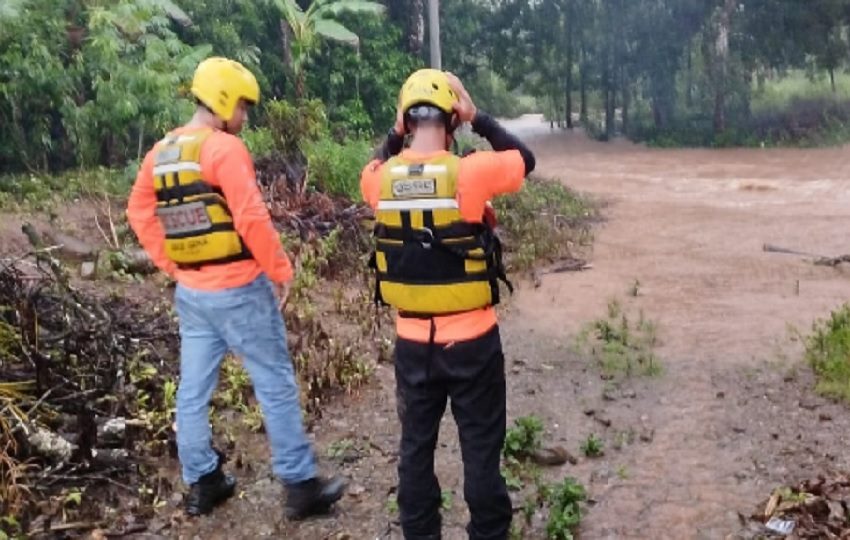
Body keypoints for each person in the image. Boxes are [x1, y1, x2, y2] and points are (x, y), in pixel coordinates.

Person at [126, 56, 345, 519]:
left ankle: (204, 481)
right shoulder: (224, 150)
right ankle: (300, 486)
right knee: (275, 382)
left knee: (192, 391)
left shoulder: (160, 152)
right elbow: (250, 217)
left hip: (193, 295)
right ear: (223, 101)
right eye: (243, 106)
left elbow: (139, 212)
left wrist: (173, 264)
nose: (244, 116)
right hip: (241, 289)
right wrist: (280, 270)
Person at [360, 69, 536, 540]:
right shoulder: (471, 172)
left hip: (413, 345)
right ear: (452, 120)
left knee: (415, 450)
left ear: (406, 121)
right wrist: (479, 117)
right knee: (480, 450)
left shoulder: (378, 180)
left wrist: (395, 134)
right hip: (473, 343)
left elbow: (377, 161)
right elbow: (525, 159)